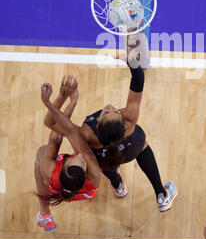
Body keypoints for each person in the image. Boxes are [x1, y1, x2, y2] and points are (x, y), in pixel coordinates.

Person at [43, 55, 178, 212]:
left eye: (109, 111)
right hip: (131, 148)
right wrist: (131, 61)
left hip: (105, 158)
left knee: (105, 165)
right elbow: (138, 79)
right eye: (112, 111)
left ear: (98, 122)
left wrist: (57, 99)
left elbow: (51, 123)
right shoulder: (129, 119)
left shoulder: (86, 135)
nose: (110, 106)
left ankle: (118, 186)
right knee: (143, 147)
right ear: (121, 123)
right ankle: (161, 194)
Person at [35, 76, 102, 232]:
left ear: (63, 165)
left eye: (74, 160)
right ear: (85, 173)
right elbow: (67, 130)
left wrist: (61, 98)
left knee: (41, 153)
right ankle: (118, 184)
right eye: (81, 161)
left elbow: (56, 135)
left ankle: (45, 215)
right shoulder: (93, 176)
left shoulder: (51, 173)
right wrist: (72, 100)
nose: (79, 155)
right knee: (93, 147)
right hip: (88, 192)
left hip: (59, 188)